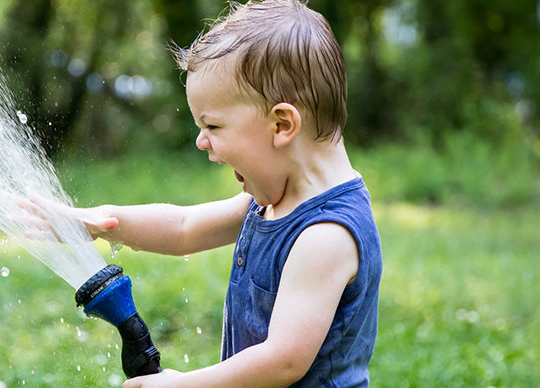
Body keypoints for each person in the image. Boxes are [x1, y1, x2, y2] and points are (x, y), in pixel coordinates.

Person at [20, 0, 382, 386]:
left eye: (213, 125)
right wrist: (100, 222)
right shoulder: (271, 203)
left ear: (281, 124)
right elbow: (183, 227)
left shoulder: (325, 236)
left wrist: (184, 383)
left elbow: (284, 360)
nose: (200, 141)